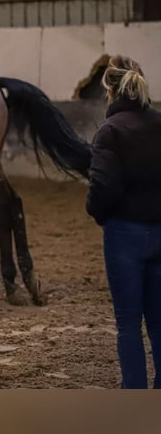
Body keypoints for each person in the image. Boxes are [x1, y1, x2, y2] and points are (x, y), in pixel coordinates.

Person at [86, 55, 161, 388]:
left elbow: (103, 185)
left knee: (128, 325)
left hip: (124, 236)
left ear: (111, 91)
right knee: (159, 323)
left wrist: (99, 214)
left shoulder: (110, 131)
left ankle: (134, 395)